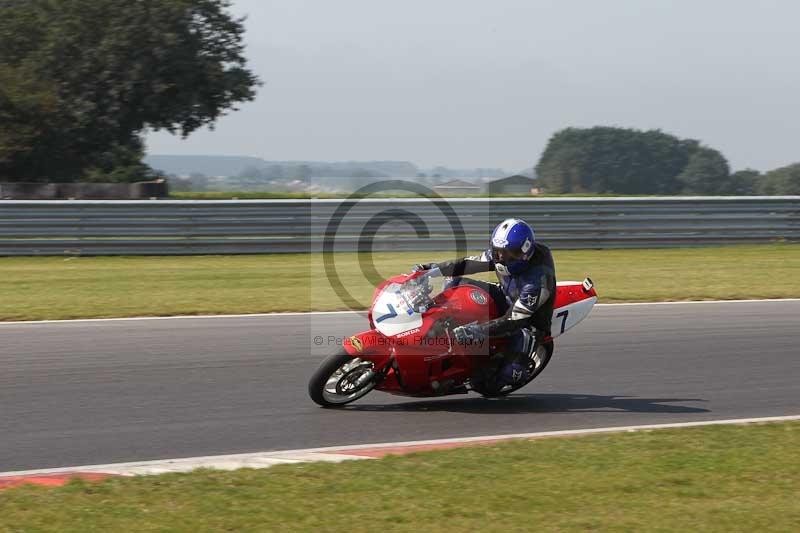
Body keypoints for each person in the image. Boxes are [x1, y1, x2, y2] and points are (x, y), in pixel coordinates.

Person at [412, 218, 556, 387]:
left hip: (527, 323)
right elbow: (469, 264)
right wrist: (431, 271)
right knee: (454, 282)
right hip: (505, 295)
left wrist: (476, 330)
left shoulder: (537, 283)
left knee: (496, 379)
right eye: (498, 252)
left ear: (525, 252)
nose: (501, 257)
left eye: (509, 254)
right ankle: (432, 322)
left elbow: (513, 321)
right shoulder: (501, 256)